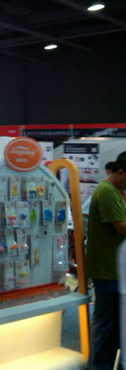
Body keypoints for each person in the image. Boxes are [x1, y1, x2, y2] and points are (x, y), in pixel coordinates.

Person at [87, 152, 126, 370]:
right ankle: (100, 366)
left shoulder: (116, 190)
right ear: (120, 172)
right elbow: (121, 227)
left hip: (115, 269)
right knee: (106, 326)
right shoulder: (108, 192)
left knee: (116, 326)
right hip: (107, 270)